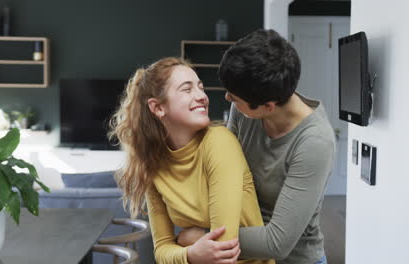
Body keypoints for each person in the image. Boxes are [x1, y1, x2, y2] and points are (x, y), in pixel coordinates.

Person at [178, 29, 336, 264]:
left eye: (235, 98)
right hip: (241, 252)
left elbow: (277, 242)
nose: (228, 100)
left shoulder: (314, 144)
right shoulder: (246, 107)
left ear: (268, 107)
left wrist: (203, 236)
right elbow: (221, 171)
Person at [108, 57, 274, 264]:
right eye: (187, 89)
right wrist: (191, 254)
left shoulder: (219, 143)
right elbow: (161, 251)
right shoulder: (152, 164)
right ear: (158, 108)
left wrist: (189, 238)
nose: (202, 96)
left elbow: (223, 249)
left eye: (200, 88)